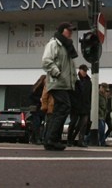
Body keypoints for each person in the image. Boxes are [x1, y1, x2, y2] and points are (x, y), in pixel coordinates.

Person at [41, 22, 78, 151]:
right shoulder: (54, 44)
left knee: (59, 110)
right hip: (57, 82)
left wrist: (74, 81)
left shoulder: (66, 47)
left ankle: (51, 140)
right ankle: (52, 139)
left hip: (64, 84)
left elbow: (71, 67)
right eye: (69, 30)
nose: (71, 33)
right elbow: (46, 61)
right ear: (63, 31)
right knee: (64, 107)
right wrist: (57, 73)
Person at [67, 64, 92, 146]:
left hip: (85, 106)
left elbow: (89, 94)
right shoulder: (74, 79)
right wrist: (72, 103)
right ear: (80, 70)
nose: (85, 72)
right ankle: (69, 140)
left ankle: (80, 141)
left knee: (83, 124)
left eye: (86, 71)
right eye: (84, 70)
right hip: (75, 106)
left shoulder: (88, 81)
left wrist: (89, 105)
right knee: (73, 123)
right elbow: (70, 92)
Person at [28, 74, 47, 145]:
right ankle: (37, 138)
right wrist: (39, 99)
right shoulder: (37, 88)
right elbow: (30, 96)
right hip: (36, 107)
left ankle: (33, 138)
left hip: (42, 108)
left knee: (39, 124)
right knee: (37, 123)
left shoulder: (45, 88)